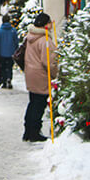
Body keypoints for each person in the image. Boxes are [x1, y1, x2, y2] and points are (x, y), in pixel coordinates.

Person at [22, 12, 53, 141]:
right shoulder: (44, 40)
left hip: (31, 73)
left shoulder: (31, 36)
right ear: (45, 25)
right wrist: (55, 74)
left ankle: (28, 130)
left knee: (33, 103)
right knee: (39, 105)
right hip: (41, 76)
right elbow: (49, 62)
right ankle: (34, 132)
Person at [0, 18, 18, 88]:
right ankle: (9, 78)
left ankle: (4, 81)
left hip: (2, 52)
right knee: (9, 67)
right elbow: (16, 41)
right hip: (11, 52)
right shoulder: (13, 30)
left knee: (3, 67)